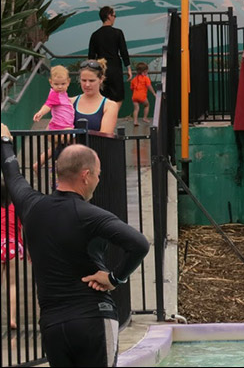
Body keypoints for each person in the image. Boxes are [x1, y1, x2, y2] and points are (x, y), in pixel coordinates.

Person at [0, 123, 149, 367]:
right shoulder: (92, 215)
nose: (98, 180)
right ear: (86, 175)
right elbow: (139, 244)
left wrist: (5, 142)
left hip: (53, 325)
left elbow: (12, 174)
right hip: (93, 317)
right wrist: (114, 278)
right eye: (98, 174)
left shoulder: (31, 205)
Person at [88, 6, 132, 111]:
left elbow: (91, 56)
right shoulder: (118, 33)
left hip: (101, 68)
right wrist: (128, 68)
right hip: (115, 67)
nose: (115, 18)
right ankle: (112, 116)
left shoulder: (95, 35)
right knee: (118, 96)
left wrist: (91, 71)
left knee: (102, 95)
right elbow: (123, 51)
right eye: (114, 16)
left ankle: (105, 116)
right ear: (109, 16)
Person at [72, 59, 118, 134]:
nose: (87, 85)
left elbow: (104, 137)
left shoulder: (110, 106)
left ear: (101, 79)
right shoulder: (70, 102)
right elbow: (51, 133)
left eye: (91, 81)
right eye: (83, 80)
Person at [1, 179, 22, 330]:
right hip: (12, 246)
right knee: (12, 284)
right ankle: (12, 319)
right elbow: (22, 227)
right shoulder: (16, 207)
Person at [32, 65, 75, 130]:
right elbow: (48, 105)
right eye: (56, 84)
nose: (60, 87)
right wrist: (41, 113)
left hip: (67, 125)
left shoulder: (63, 94)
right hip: (59, 127)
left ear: (68, 82)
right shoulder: (55, 94)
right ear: (51, 83)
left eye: (63, 84)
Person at [130, 62, 155, 126]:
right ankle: (145, 118)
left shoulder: (134, 79)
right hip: (142, 96)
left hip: (134, 96)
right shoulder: (146, 78)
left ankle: (135, 121)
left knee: (136, 109)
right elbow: (149, 86)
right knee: (147, 105)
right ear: (144, 72)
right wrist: (154, 93)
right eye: (147, 72)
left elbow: (131, 88)